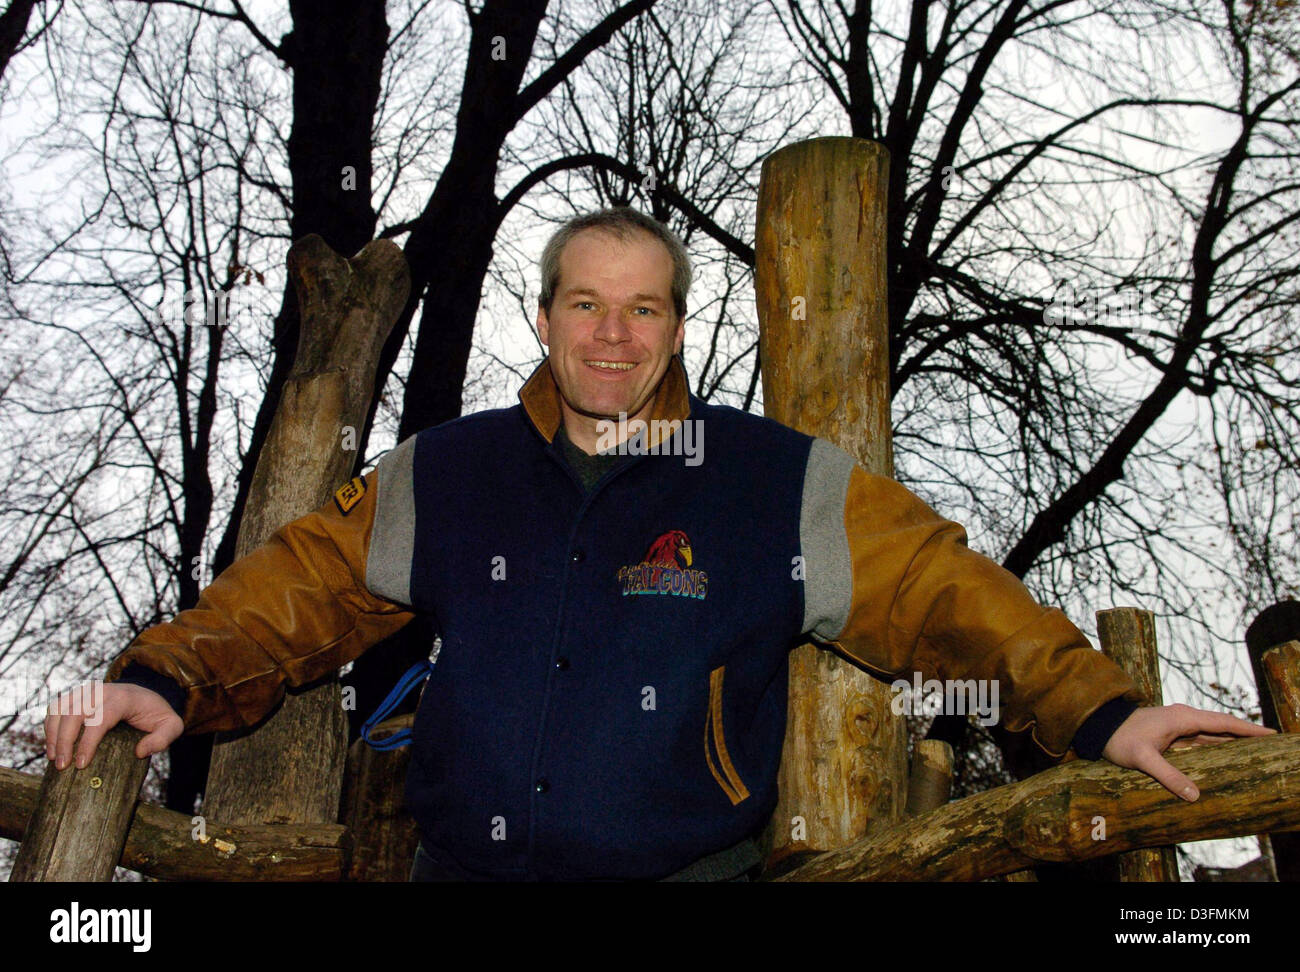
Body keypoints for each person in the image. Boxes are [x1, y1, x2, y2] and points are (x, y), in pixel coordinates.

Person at [45, 207, 1272, 882]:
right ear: (545, 317)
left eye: (643, 308)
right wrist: (168, 678)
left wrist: (1103, 713)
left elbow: (942, 593)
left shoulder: (769, 482)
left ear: (679, 328)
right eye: (586, 303)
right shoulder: (452, 471)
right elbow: (298, 589)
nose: (612, 335)